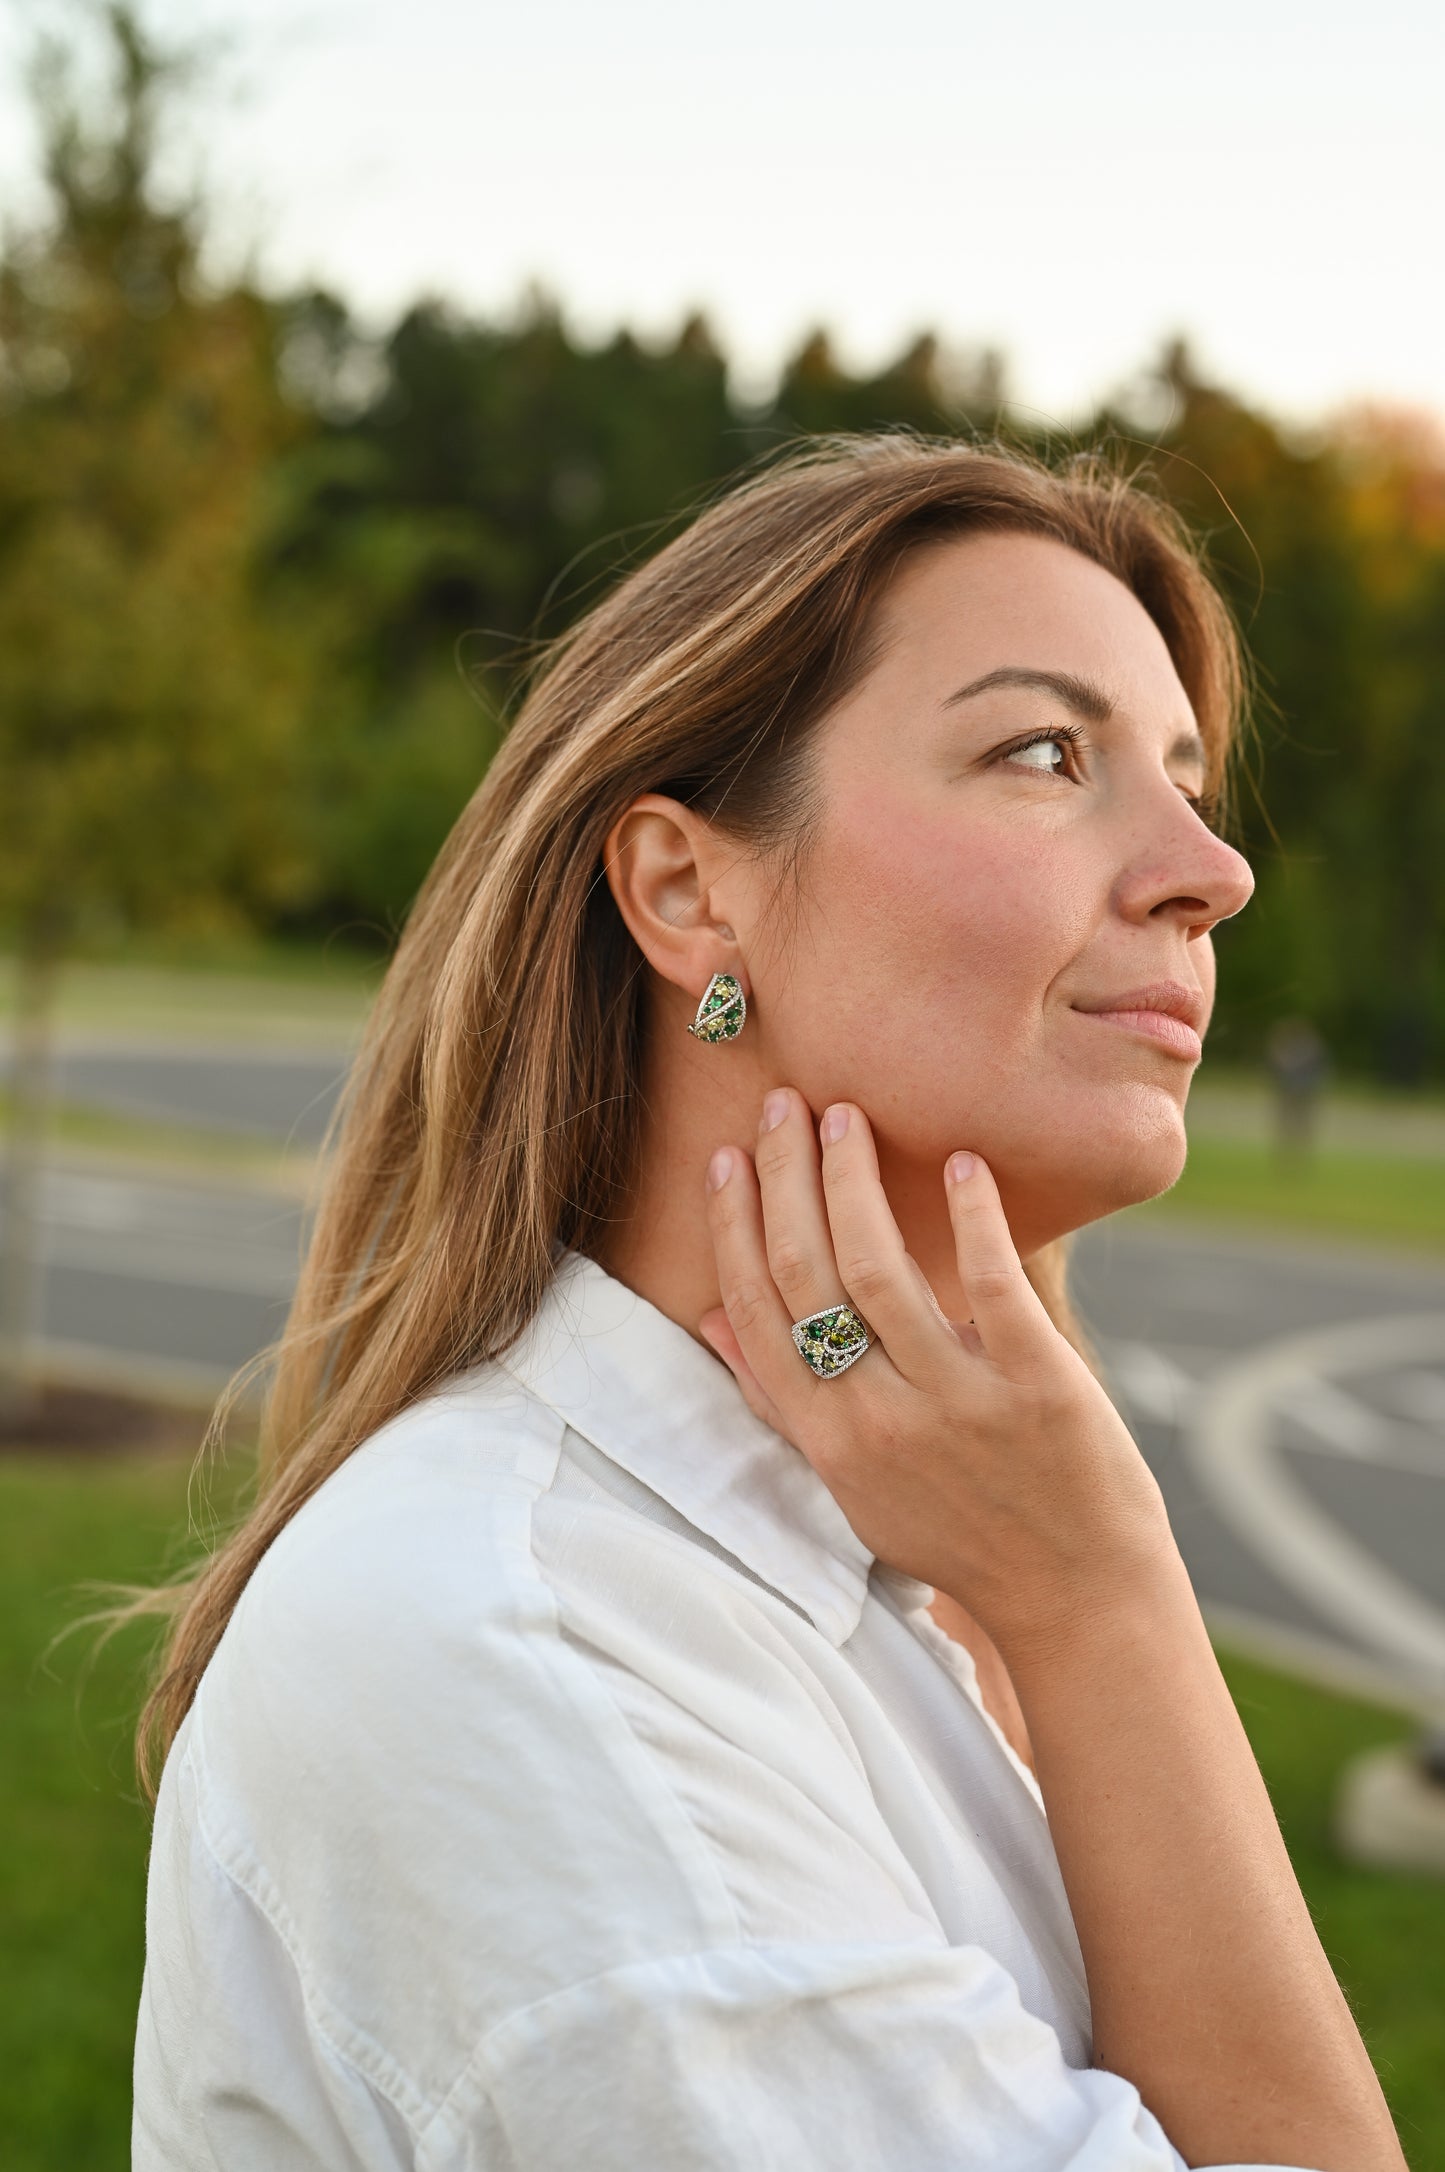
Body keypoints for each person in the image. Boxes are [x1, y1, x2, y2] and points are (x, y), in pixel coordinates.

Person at [130, 435, 1406, 2171]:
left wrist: (1068, 1606)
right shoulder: (527, 1649)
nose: (1211, 871)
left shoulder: (904, 1566)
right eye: (1047, 752)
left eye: (1187, 781)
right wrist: (1109, 1600)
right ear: (686, 888)